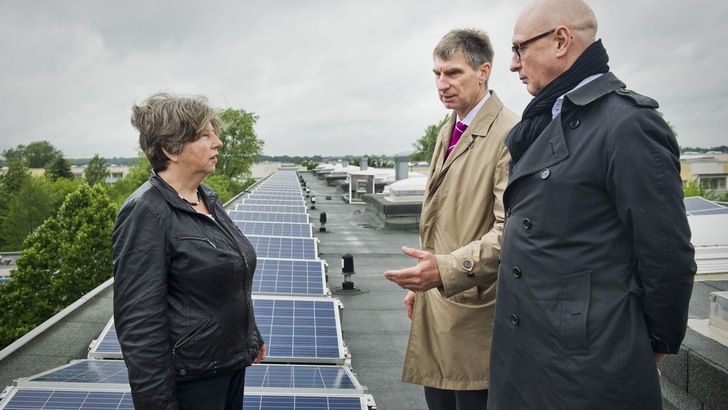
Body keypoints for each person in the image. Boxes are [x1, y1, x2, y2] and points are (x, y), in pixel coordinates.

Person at [486, 1, 696, 408]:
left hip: (587, 367)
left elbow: (666, 255)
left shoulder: (628, 123)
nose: (513, 64)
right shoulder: (548, 118)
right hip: (527, 356)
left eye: (519, 48)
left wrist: (646, 344)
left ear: (561, 40)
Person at [384, 28, 519, 409]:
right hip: (439, 302)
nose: (442, 84)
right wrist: (423, 282)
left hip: (477, 310)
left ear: (484, 71)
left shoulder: (511, 133)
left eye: (453, 73)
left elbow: (511, 232)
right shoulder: (449, 129)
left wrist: (444, 270)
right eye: (437, 74)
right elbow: (440, 217)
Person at [112, 92, 266, 410]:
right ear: (171, 149)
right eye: (205, 135)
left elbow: (228, 276)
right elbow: (139, 322)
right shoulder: (147, 212)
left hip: (228, 366)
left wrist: (250, 337)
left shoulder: (205, 198)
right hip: (192, 380)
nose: (218, 142)